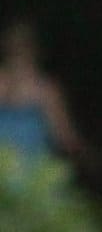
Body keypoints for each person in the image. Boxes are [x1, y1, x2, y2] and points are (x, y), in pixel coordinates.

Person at [0, 21, 82, 179]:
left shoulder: (46, 89)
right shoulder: (45, 89)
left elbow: (64, 139)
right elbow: (64, 139)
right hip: (31, 179)